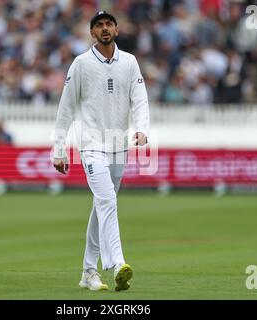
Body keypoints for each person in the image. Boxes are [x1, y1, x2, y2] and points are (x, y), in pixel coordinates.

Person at [52, 11, 150, 291]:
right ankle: (118, 263)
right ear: (92, 33)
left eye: (109, 24)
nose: (104, 28)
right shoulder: (81, 64)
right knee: (107, 201)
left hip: (119, 146)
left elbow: (140, 98)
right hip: (91, 145)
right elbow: (66, 107)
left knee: (100, 206)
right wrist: (58, 149)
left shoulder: (129, 62)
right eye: (99, 25)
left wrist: (142, 128)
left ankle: (88, 272)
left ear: (116, 30)